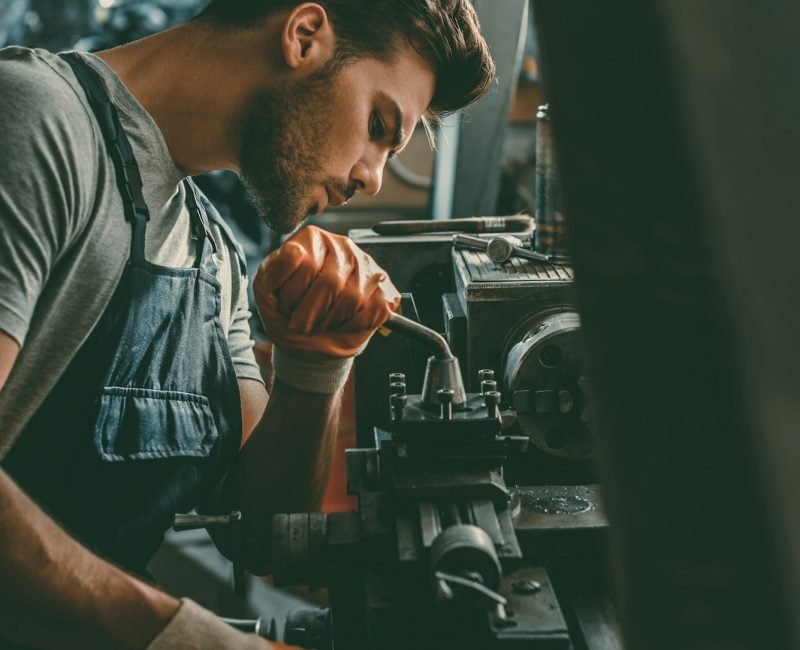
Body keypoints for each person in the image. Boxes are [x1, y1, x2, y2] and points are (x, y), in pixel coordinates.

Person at [0, 0, 495, 647]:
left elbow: (261, 532)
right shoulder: (37, 121)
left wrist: (314, 366)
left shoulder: (213, 256)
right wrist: (191, 639)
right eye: (378, 124)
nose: (372, 178)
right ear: (305, 36)